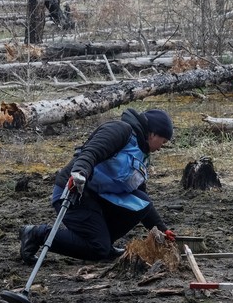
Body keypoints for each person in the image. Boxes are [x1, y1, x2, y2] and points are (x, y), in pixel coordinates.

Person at [19, 108, 176, 263]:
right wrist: (79, 173)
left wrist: (161, 229)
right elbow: (90, 152)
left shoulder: (143, 153)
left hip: (100, 198)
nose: (161, 147)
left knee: (141, 201)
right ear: (153, 133)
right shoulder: (121, 130)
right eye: (163, 141)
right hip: (76, 193)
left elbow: (139, 192)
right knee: (97, 248)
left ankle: (105, 243)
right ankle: (36, 234)